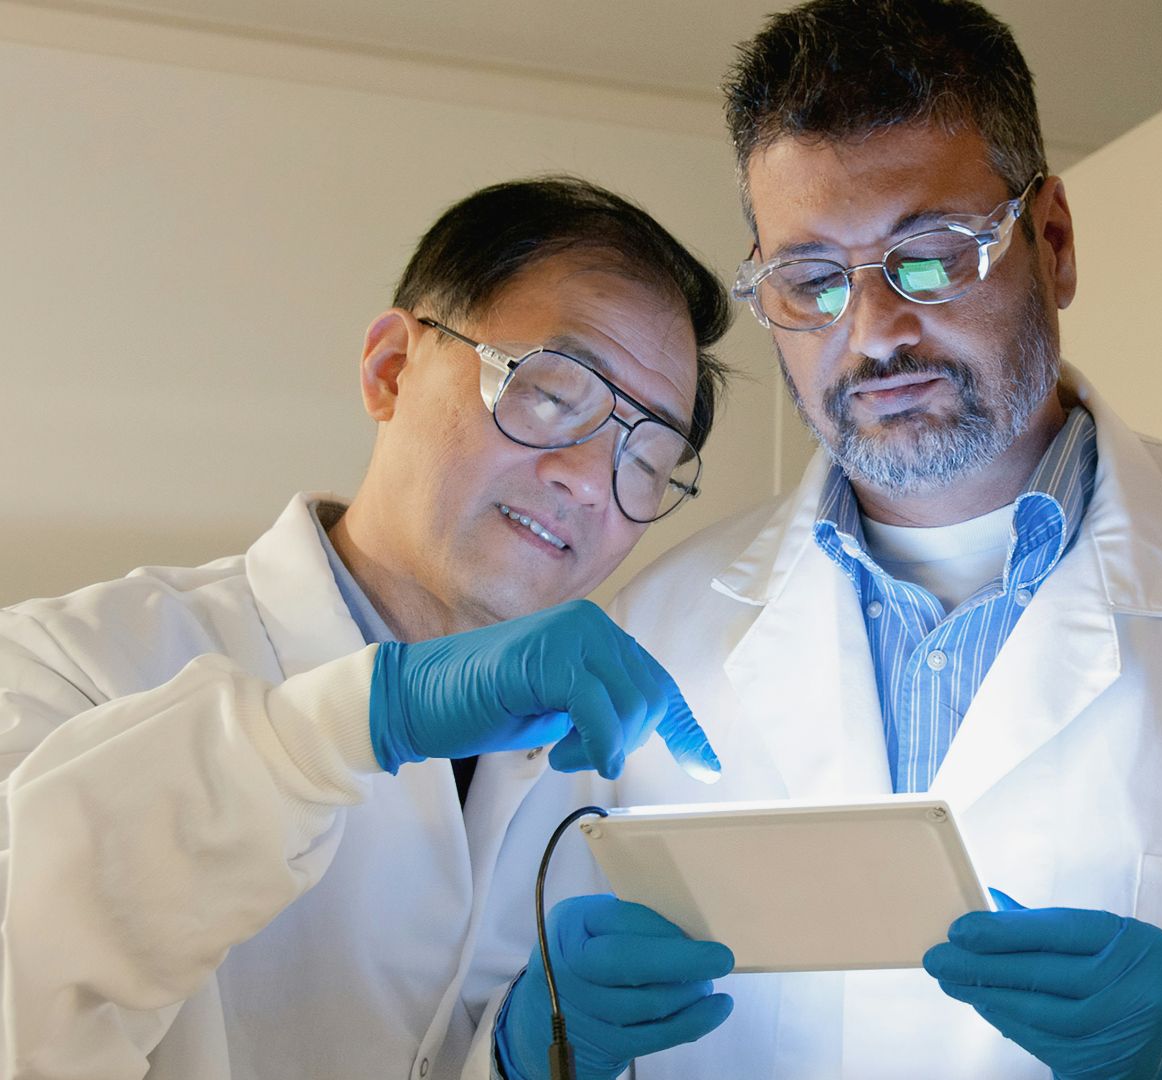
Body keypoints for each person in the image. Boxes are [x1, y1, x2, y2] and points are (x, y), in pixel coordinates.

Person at [600, 2, 1162, 1077]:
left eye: (932, 255)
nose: (876, 333)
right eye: (810, 282)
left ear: (1053, 242)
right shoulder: (652, 634)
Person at [1, 177, 743, 1080]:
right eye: (554, 392)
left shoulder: (606, 781)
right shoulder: (68, 663)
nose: (589, 479)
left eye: (648, 457)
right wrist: (340, 727)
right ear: (389, 367)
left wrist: (520, 1062)